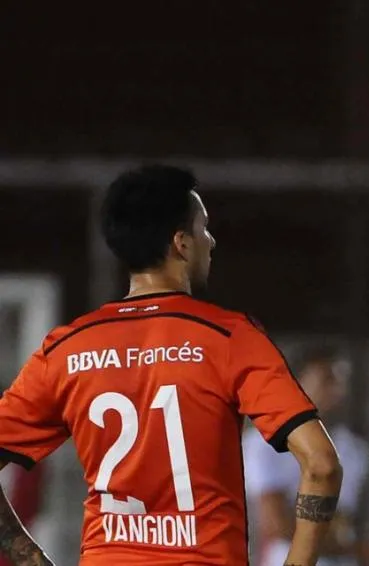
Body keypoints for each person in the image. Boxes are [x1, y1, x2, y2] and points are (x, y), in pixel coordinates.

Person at [0, 164, 343, 565]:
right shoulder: (230, 337)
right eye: (204, 229)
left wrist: (28, 558)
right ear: (181, 243)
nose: (211, 242)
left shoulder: (65, 349)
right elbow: (321, 464)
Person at [243, 347, 369, 566]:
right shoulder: (264, 443)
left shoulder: (354, 449)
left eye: (341, 380)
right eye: (327, 379)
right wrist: (356, 550)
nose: (338, 390)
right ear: (296, 383)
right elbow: (275, 524)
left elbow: (346, 519)